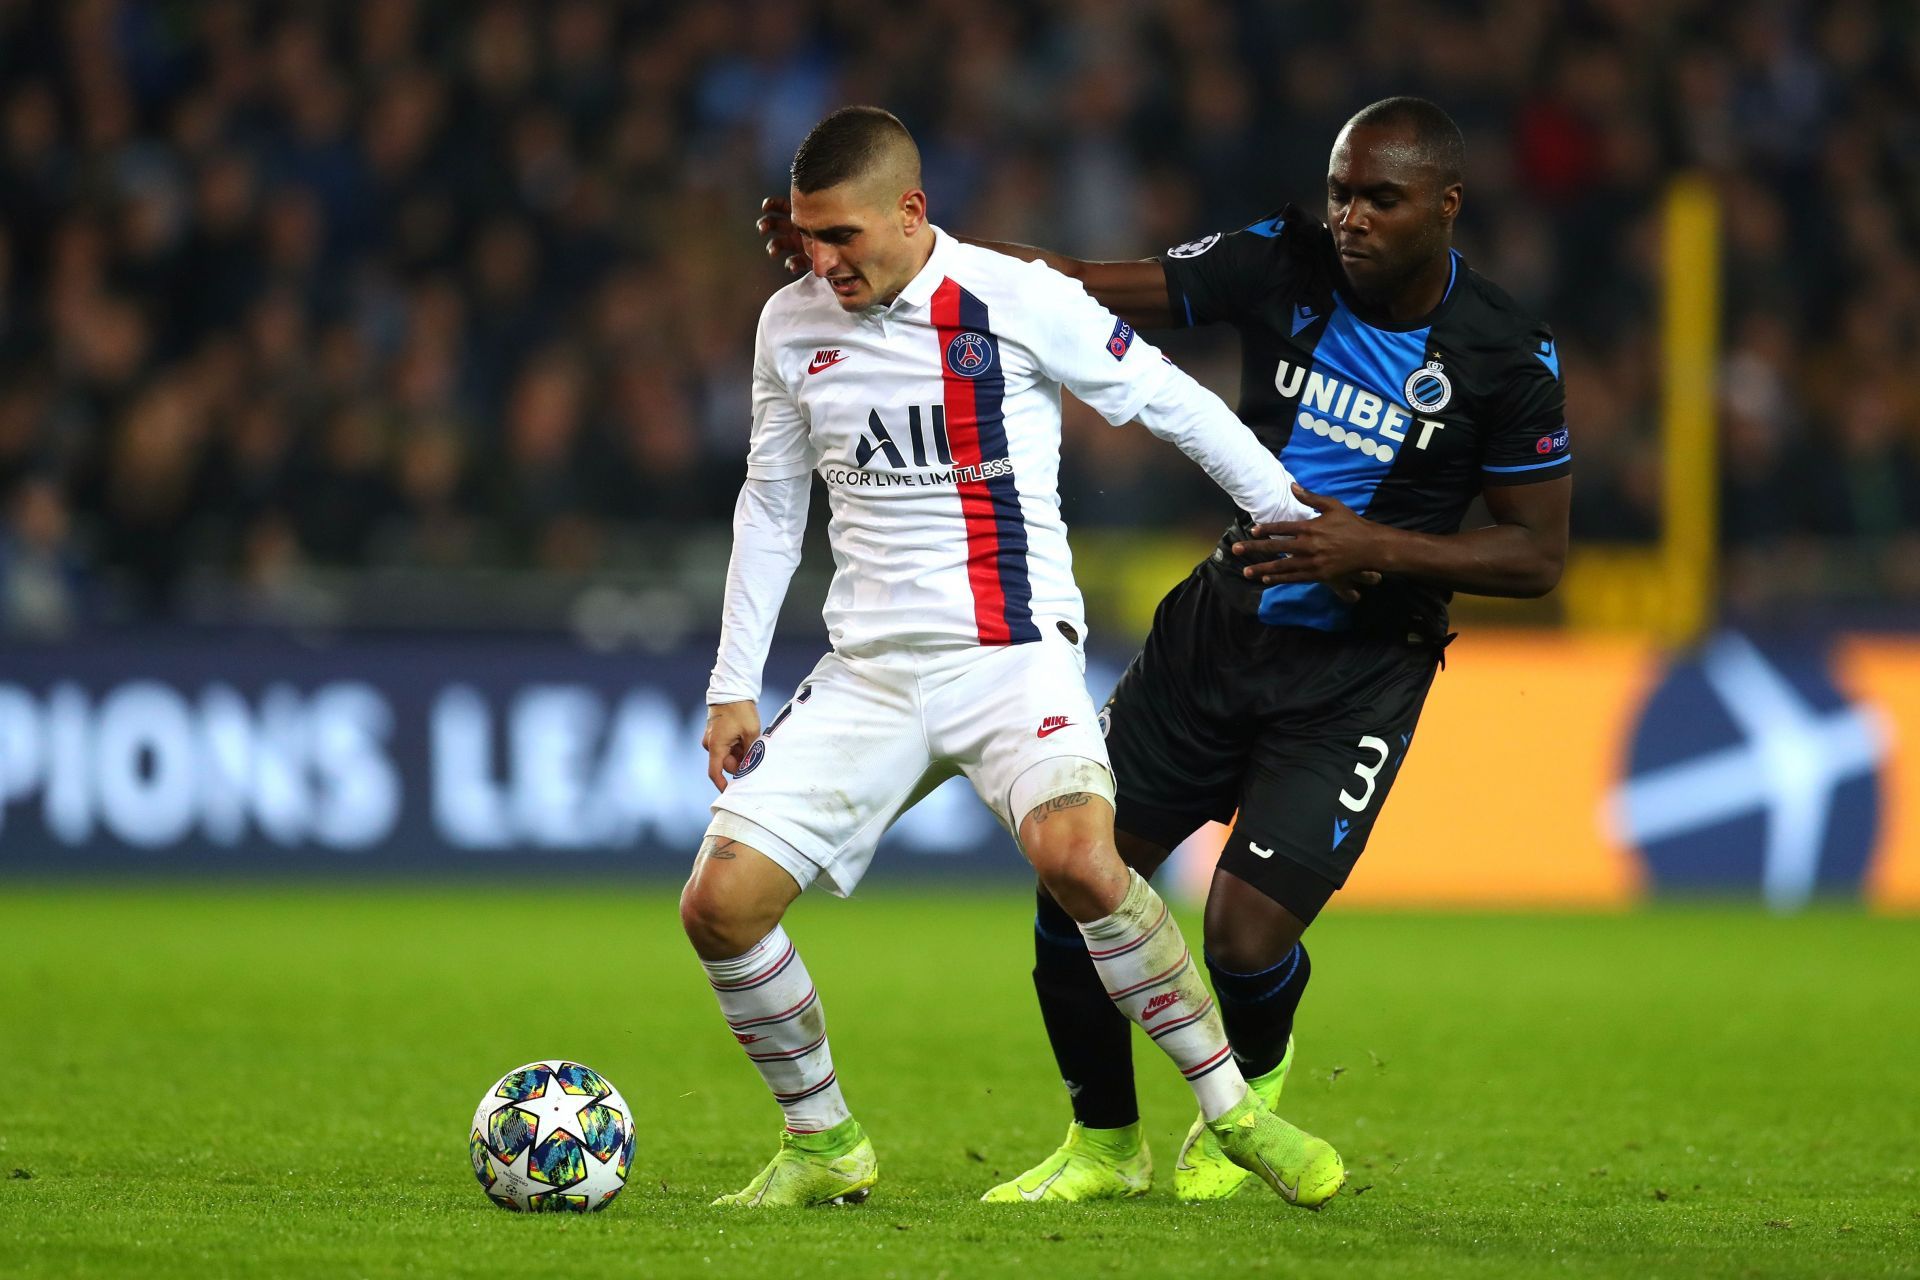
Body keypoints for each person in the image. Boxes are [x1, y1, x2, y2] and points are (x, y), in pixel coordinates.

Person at [756, 96, 1572, 1202]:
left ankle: (1260, 1074)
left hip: (1359, 671)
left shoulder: (1505, 351)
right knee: (1077, 880)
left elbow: (1536, 557)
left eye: (1381, 198)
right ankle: (1103, 1142)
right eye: (1341, 191)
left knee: (1240, 934)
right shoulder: (1283, 262)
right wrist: (864, 248)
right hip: (1218, 632)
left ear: (1445, 205)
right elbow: (1080, 282)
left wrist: (1366, 543)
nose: (1351, 218)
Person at [684, 104, 1349, 1210]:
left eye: (842, 235)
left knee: (1085, 861)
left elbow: (1172, 402)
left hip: (1013, 654)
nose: (820, 259)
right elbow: (768, 501)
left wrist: (1286, 513)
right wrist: (731, 681)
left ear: (912, 210)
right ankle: (822, 1140)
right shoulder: (788, 325)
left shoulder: (1016, 299)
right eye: (807, 236)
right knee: (717, 907)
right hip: (870, 673)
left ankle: (1235, 1116)